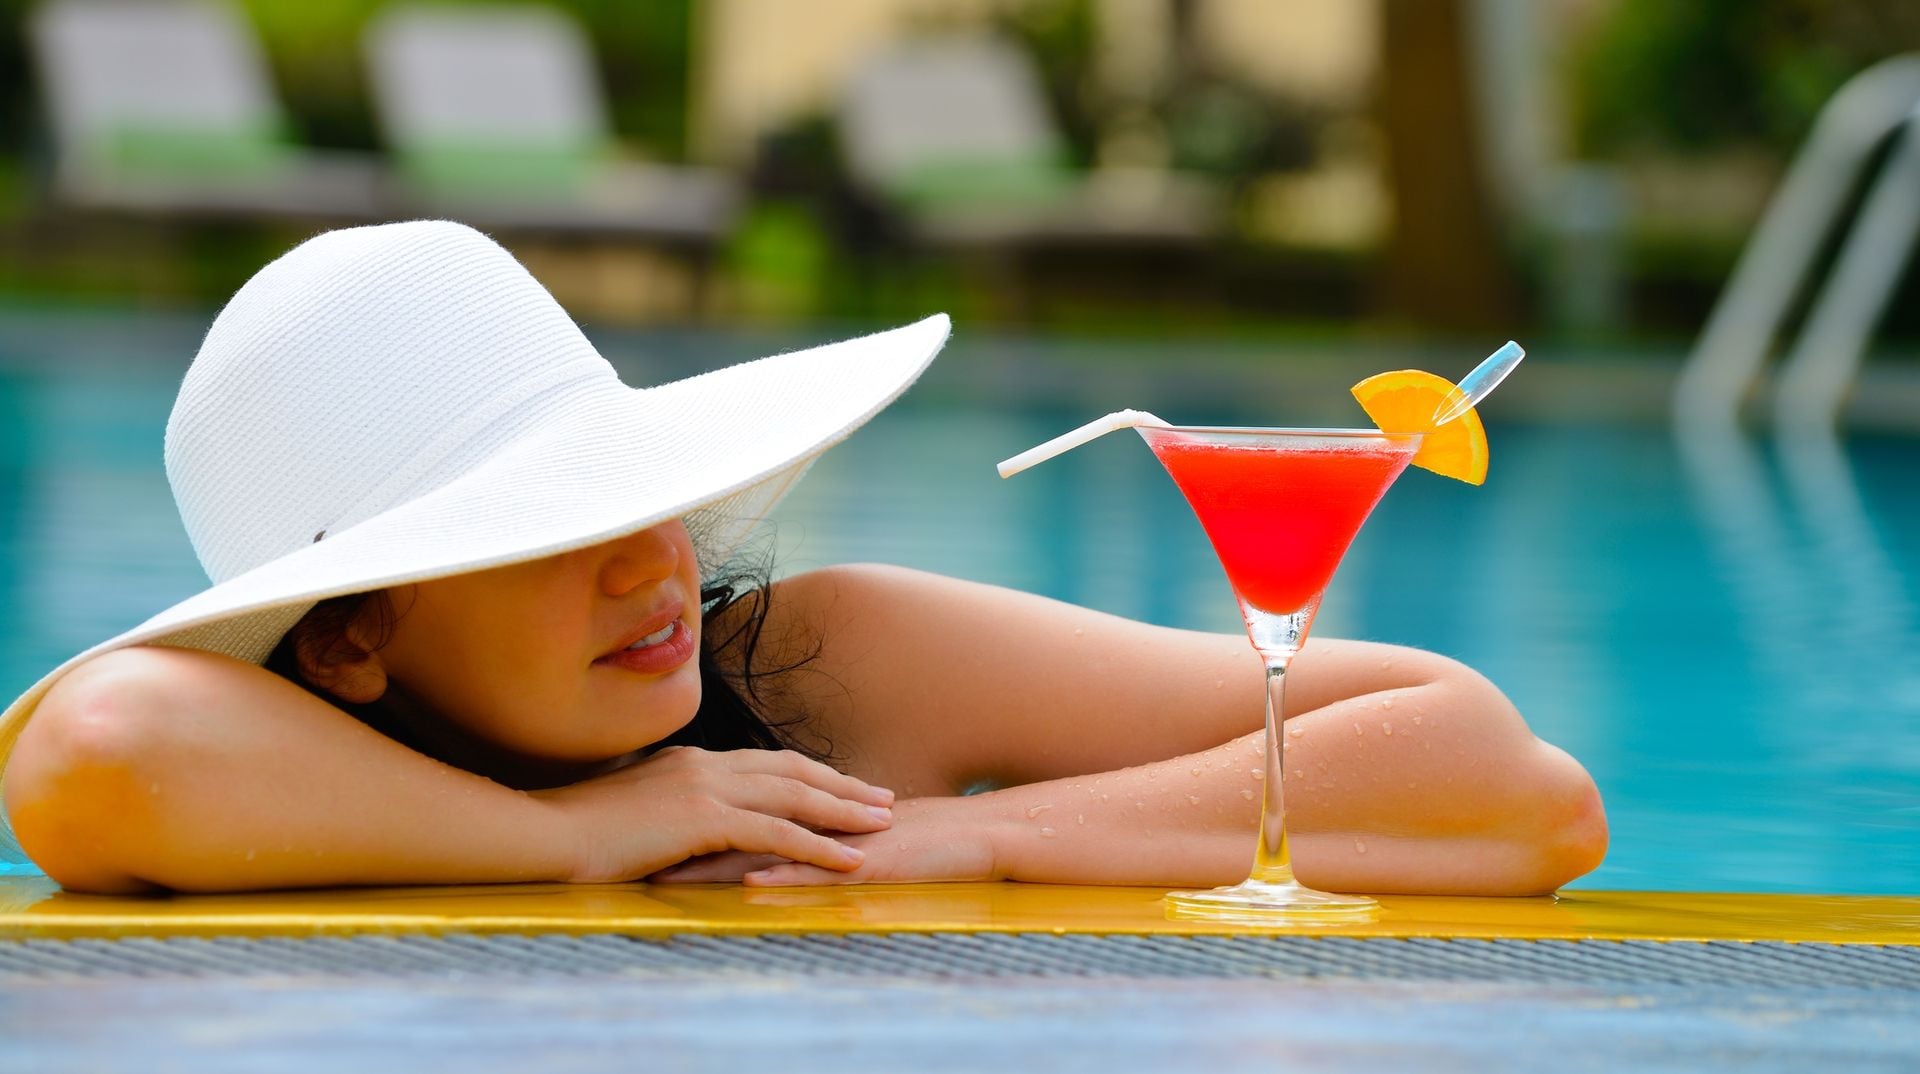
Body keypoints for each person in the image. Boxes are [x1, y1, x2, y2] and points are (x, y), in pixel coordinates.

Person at [0, 222, 1606, 896]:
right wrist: (578, 837)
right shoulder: (285, 764)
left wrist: (973, 843)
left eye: (645, 498)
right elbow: (94, 744)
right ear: (349, 647)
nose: (648, 568)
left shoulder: (824, 666)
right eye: (551, 533)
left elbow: (1507, 776)